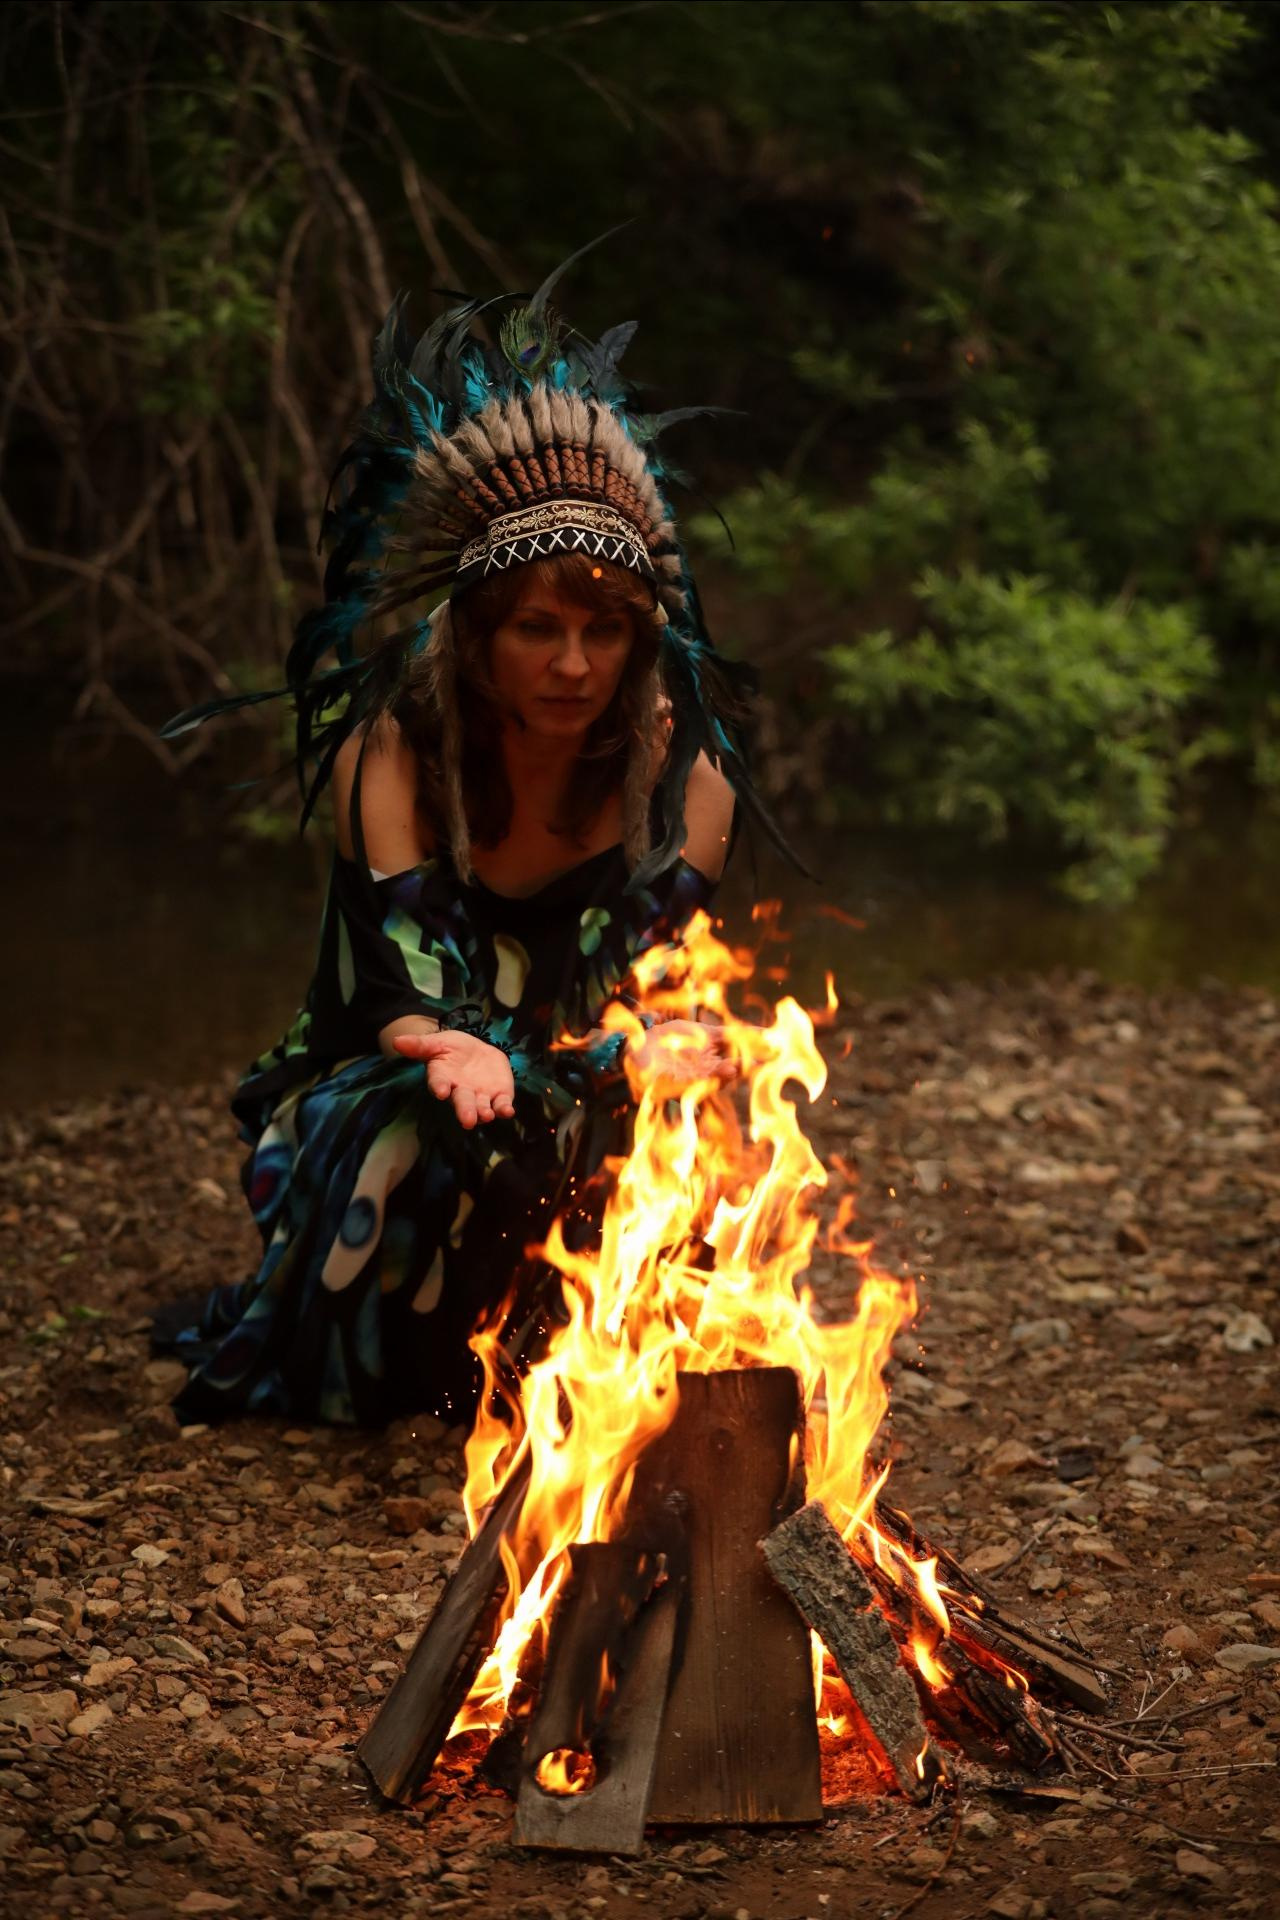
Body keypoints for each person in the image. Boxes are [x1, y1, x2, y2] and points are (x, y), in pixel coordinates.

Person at [158, 260, 795, 1429]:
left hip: (574, 1069)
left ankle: (597, 1374)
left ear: (636, 641)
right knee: (422, 1133)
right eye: (537, 630)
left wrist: (659, 1045)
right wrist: (453, 1048)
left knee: (685, 1110)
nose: (571, 665)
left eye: (602, 631)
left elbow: (652, 987)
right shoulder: (389, 759)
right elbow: (397, 988)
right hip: (395, 1072)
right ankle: (413, 1383)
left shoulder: (685, 783)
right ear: (474, 637)